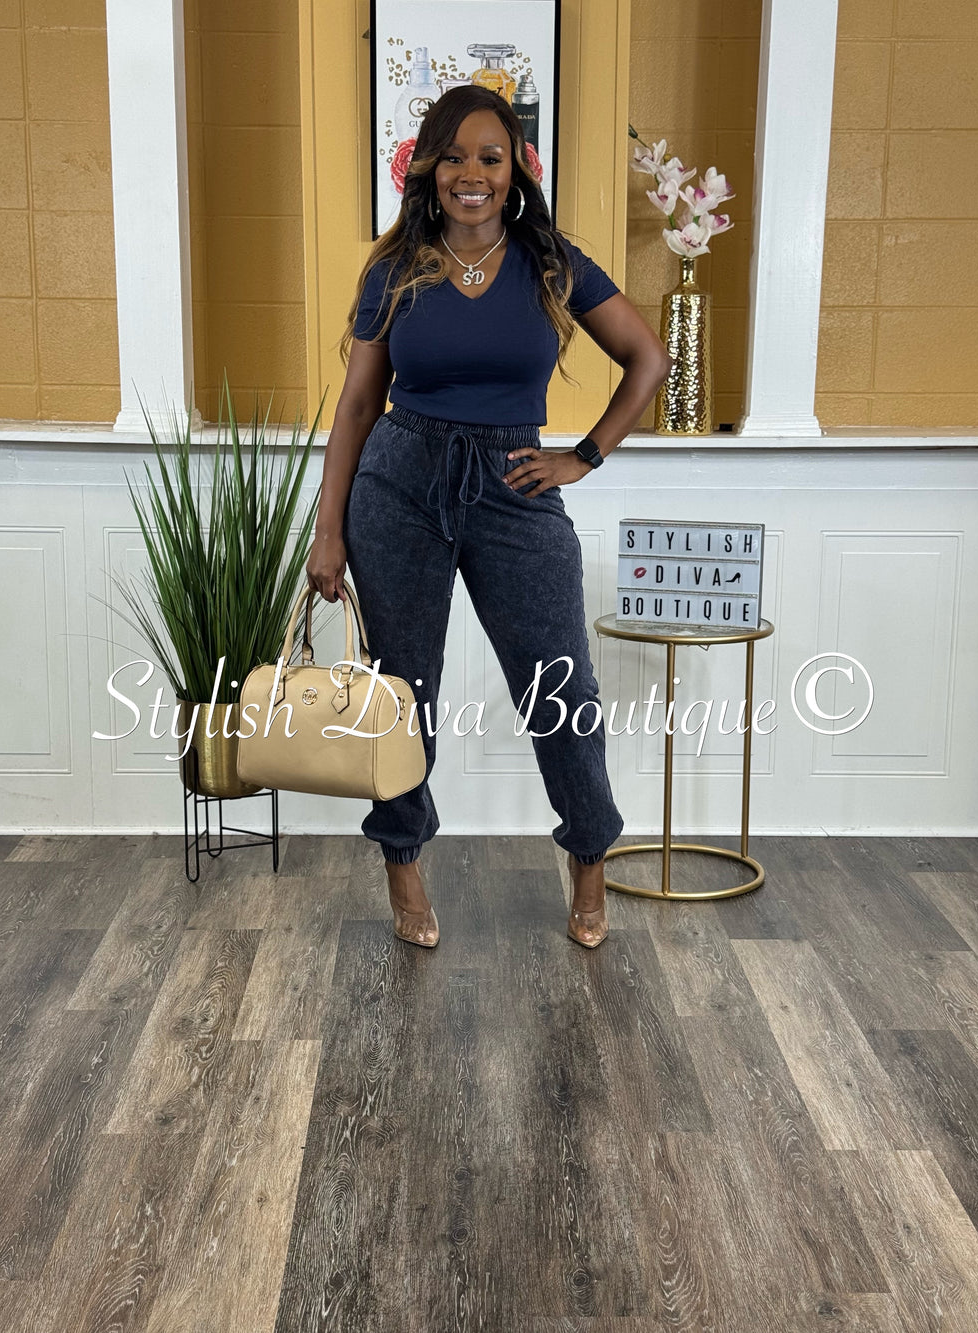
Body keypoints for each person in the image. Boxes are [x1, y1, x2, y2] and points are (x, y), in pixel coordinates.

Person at [306, 85, 672, 950]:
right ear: (429, 170)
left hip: (516, 484)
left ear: (516, 172)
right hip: (400, 484)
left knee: (560, 685)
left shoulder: (551, 263)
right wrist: (328, 529)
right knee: (402, 693)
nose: (472, 174)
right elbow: (356, 406)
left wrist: (582, 456)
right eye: (455, 158)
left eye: (491, 158)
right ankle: (403, 861)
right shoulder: (396, 269)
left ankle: (589, 853)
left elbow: (646, 358)